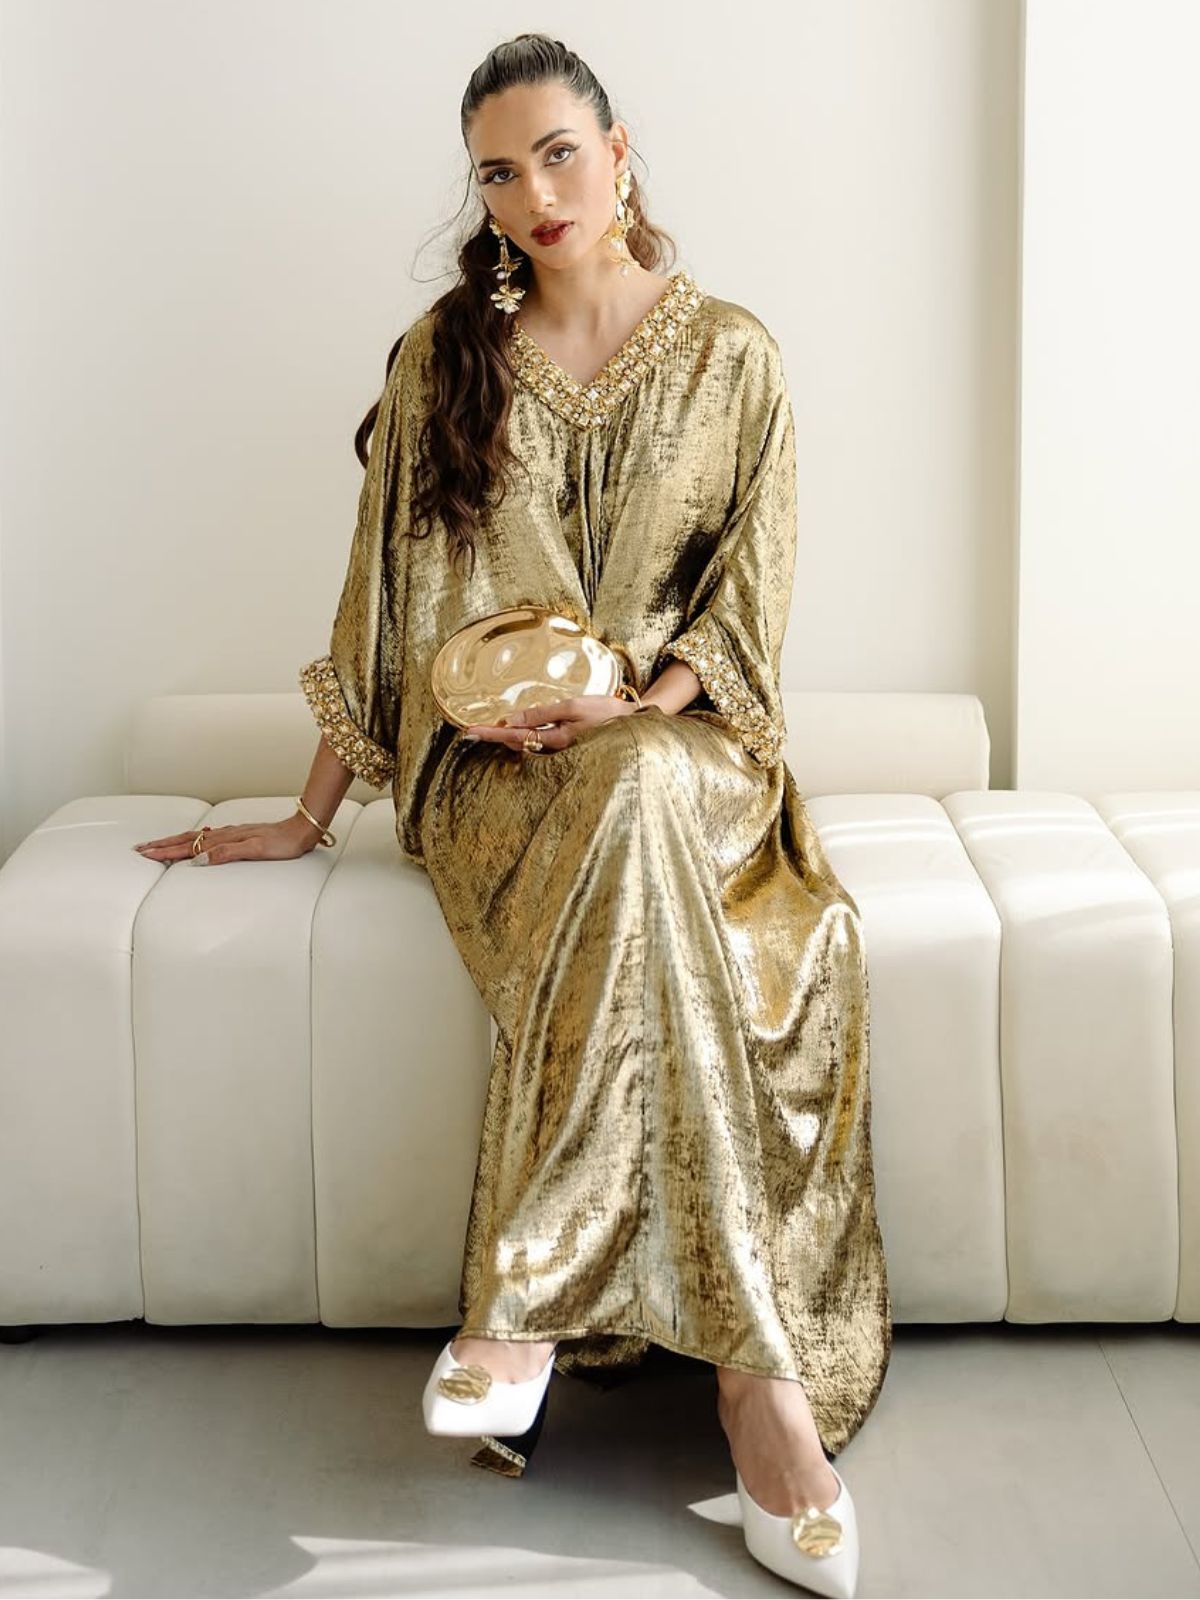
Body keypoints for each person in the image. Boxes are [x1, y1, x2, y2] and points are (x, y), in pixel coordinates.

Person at [133, 33, 892, 1597]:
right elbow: (378, 609)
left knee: (642, 780)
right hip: (496, 789)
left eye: (557, 152)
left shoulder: (735, 356)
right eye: (497, 170)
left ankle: (527, 1309)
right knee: (621, 797)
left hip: (688, 758)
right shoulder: (447, 357)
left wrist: (642, 707)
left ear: (619, 151)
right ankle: (761, 1410)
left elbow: (748, 604)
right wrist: (306, 816)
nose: (534, 192)